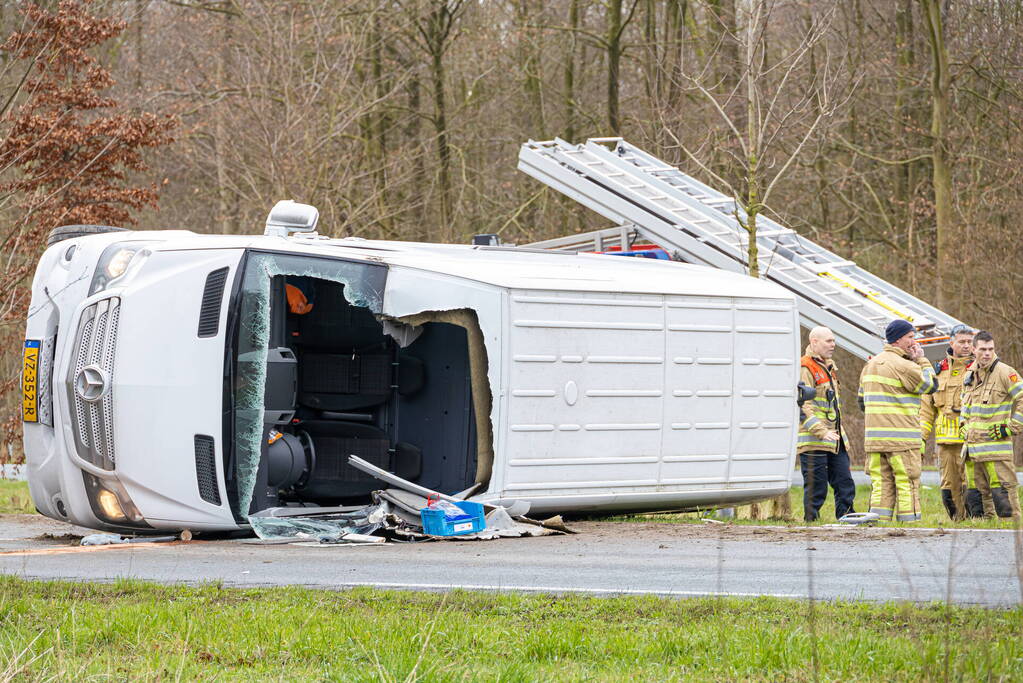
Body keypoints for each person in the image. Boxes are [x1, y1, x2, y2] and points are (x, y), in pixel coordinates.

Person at [858, 319, 938, 522]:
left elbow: (861, 402)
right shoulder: (905, 366)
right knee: (907, 482)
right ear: (899, 339)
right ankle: (909, 525)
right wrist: (922, 361)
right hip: (902, 440)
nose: (914, 342)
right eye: (911, 337)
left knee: (881, 484)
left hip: (874, 440)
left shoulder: (870, 364)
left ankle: (878, 523)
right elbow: (931, 385)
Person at [959, 330, 1023, 520]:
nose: (987, 353)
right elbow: (965, 403)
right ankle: (989, 528)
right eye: (983, 349)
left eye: (990, 349)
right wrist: (963, 423)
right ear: (973, 349)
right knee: (981, 493)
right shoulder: (969, 373)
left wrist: (1011, 426)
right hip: (974, 449)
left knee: (1004, 493)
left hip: (997, 448)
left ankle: (1012, 533)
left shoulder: (1005, 372)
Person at [797, 326, 855, 521]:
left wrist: (839, 436)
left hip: (835, 438)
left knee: (845, 482)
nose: (833, 345)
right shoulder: (805, 367)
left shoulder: (829, 366)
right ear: (814, 342)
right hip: (814, 439)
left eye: (833, 340)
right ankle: (811, 524)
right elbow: (802, 406)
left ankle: (847, 518)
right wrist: (822, 432)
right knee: (816, 487)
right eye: (828, 341)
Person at [919, 324, 974, 519]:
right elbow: (926, 411)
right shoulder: (937, 371)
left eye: (970, 342)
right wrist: (921, 440)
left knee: (974, 484)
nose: (967, 346)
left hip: (973, 440)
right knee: (949, 486)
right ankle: (958, 522)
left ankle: (976, 522)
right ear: (952, 343)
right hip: (946, 443)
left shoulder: (979, 370)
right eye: (962, 341)